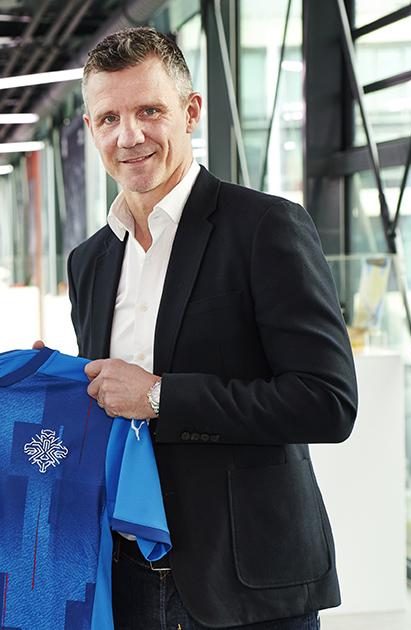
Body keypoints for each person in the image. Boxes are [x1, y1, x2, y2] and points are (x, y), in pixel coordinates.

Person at [67, 27, 356, 629]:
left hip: (247, 583)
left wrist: (159, 396)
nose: (130, 136)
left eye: (150, 111)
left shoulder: (265, 227)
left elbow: (327, 402)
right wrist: (66, 384)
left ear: (191, 111)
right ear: (91, 128)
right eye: (109, 118)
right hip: (128, 577)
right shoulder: (89, 261)